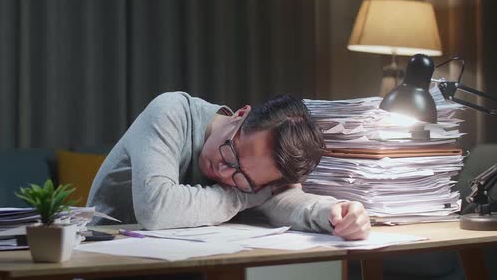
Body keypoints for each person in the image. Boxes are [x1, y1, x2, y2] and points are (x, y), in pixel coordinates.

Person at [87, 92, 370, 240]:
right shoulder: (171, 112)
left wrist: (336, 212)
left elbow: (286, 202)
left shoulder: (255, 178)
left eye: (243, 178)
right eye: (232, 153)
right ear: (240, 115)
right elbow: (156, 209)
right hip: (107, 264)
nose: (224, 172)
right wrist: (243, 194)